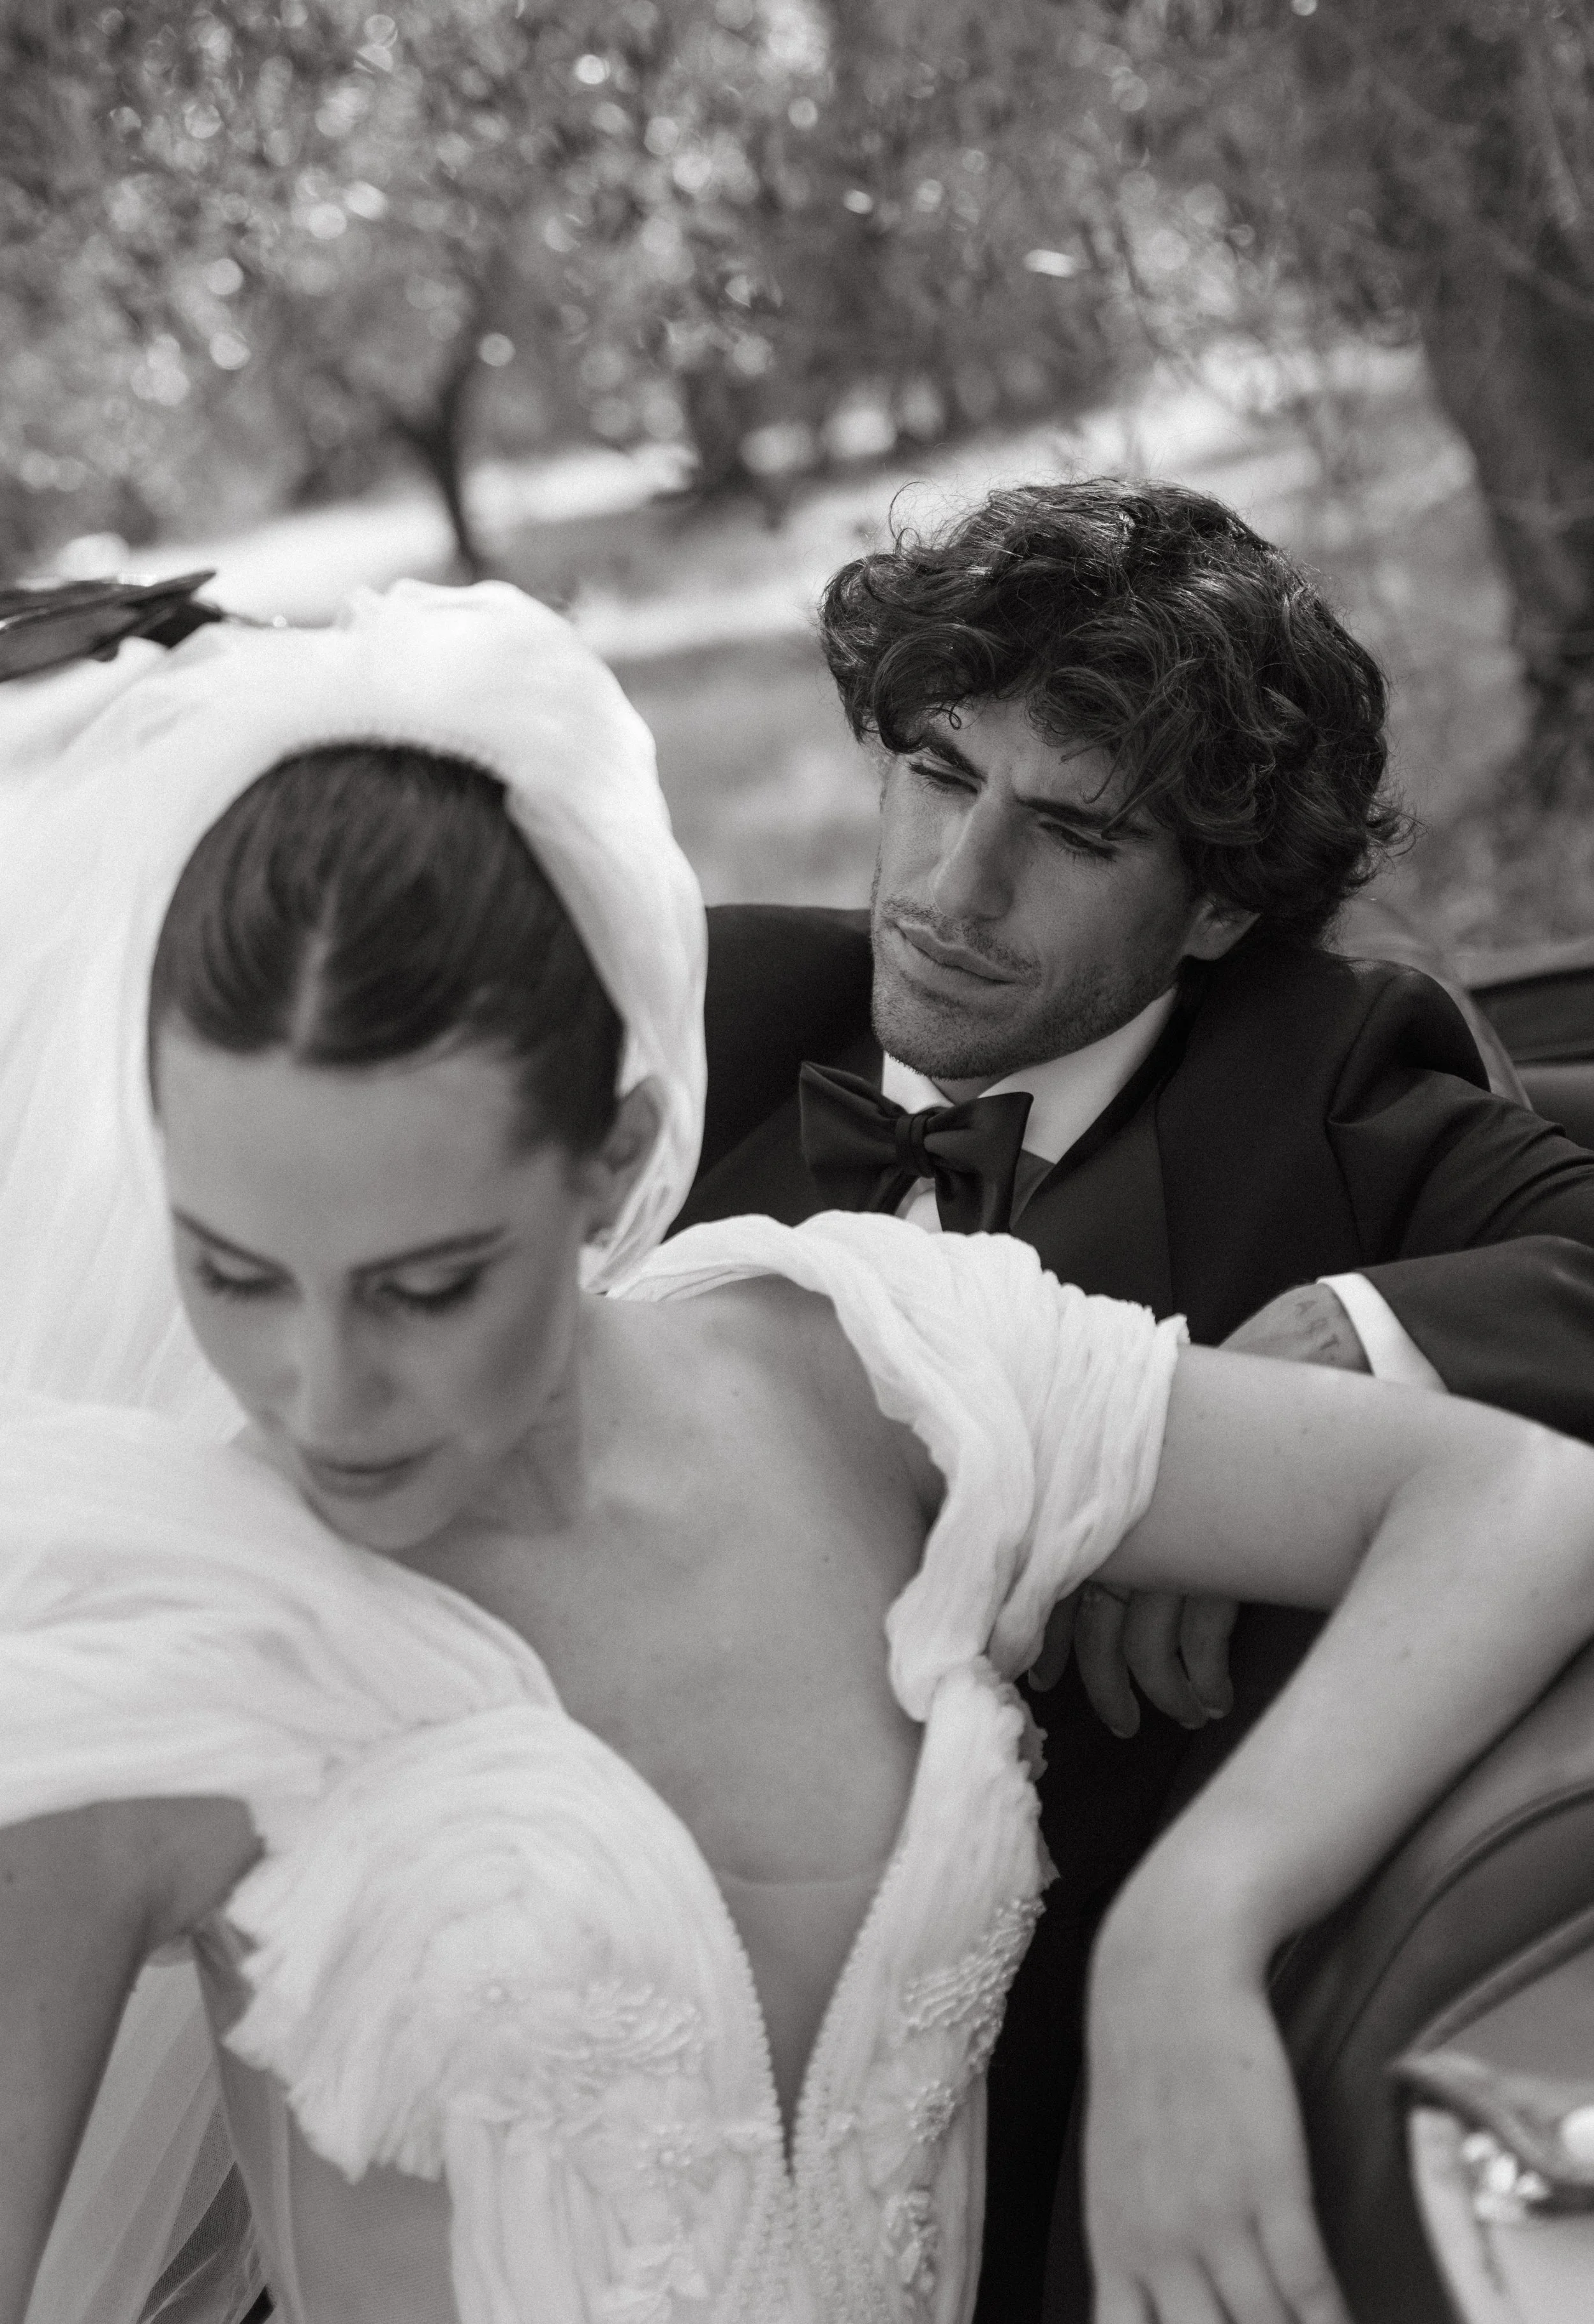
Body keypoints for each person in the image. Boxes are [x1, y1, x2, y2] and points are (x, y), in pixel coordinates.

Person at [3, 585, 1594, 2324]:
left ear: (616, 1163)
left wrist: (1195, 1931)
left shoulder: (870, 1360)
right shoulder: (127, 1640)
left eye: (428, 1284)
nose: (321, 1393)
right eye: (233, 1272)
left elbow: (1522, 1497)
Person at [670, 477, 1594, 2314]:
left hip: (1035, 2140)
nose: (947, 890)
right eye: (937, 775)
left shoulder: (1325, 1082)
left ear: (1211, 909)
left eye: (1070, 833)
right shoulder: (704, 1022)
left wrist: (1333, 1349)